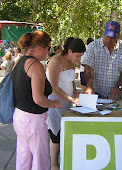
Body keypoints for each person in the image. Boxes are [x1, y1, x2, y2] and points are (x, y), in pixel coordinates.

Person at [11, 30, 62, 170]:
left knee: (24, 157)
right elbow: (38, 99)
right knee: (41, 159)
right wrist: (54, 104)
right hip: (33, 120)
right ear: (40, 48)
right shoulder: (36, 66)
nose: (48, 52)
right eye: (48, 48)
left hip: (19, 116)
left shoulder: (19, 61)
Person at [46, 37, 86, 170]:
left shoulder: (72, 61)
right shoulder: (56, 61)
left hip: (67, 101)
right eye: (78, 55)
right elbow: (54, 87)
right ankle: (53, 164)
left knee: (64, 131)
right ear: (69, 51)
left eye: (81, 56)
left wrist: (75, 92)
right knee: (55, 133)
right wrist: (71, 98)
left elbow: (71, 80)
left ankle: (63, 160)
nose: (79, 59)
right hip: (55, 101)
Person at [82, 21, 122, 100]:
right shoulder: (93, 46)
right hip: (96, 93)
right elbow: (88, 67)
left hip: (116, 95)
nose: (108, 40)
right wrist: (89, 86)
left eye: (112, 38)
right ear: (103, 33)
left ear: (118, 36)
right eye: (107, 36)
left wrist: (119, 87)